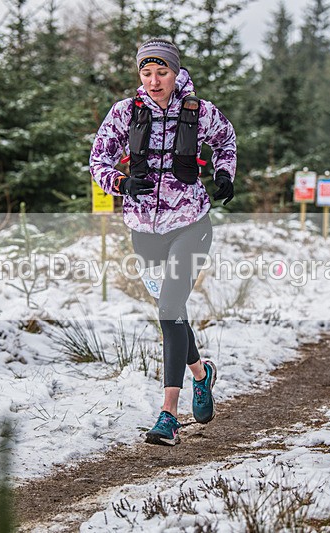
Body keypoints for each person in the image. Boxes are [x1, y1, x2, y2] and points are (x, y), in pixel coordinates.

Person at [89, 38, 237, 445]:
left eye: (162, 72)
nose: (154, 81)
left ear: (175, 73)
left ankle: (168, 415)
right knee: (172, 309)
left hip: (191, 223)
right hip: (143, 231)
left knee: (170, 307)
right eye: (146, 73)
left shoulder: (199, 112)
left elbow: (226, 140)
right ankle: (201, 374)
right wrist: (119, 181)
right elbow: (98, 159)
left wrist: (224, 174)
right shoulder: (125, 112)